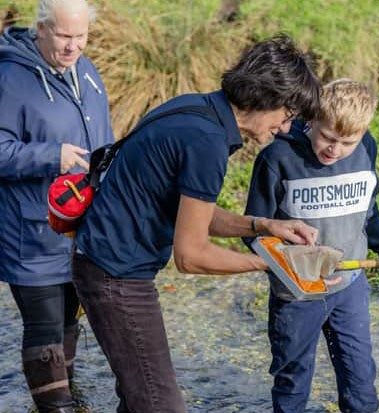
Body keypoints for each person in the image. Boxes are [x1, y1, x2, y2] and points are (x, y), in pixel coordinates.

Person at [71, 34, 321, 412]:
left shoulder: (197, 108)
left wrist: (264, 227)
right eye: (287, 116)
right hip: (115, 276)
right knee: (161, 404)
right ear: (265, 97)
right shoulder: (207, 141)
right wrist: (275, 265)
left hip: (102, 263)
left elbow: (196, 216)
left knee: (140, 397)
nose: (286, 128)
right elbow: (190, 255)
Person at [244, 79, 379, 413]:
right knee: (293, 376)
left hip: (350, 288)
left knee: (359, 375)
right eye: (328, 137)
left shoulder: (366, 149)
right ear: (312, 118)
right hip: (297, 293)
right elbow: (253, 231)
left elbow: (367, 211)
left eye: (347, 142)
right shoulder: (278, 157)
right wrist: (297, 264)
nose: (335, 149)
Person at [0, 0, 114, 411]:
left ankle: (64, 398)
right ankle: (57, 406)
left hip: (80, 230)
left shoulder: (86, 70)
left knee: (69, 323)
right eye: (65, 36)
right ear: (41, 29)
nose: (73, 46)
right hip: (31, 234)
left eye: (80, 36)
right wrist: (52, 156)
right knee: (44, 329)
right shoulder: (10, 76)